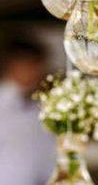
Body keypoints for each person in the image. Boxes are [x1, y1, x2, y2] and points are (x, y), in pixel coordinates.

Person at [0, 37, 56, 185]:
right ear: (15, 64)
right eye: (33, 65)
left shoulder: (41, 108)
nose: (39, 72)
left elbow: (47, 158)